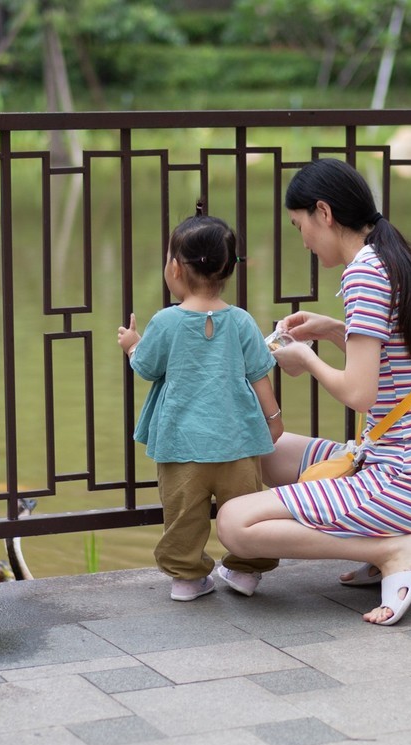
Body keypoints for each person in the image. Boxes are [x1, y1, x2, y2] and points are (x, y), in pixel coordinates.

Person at [215, 158, 411, 626]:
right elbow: (397, 359)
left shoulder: (364, 273)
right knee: (261, 448)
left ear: (324, 213)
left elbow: (360, 393)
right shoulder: (399, 259)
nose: (304, 240)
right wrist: (333, 330)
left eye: (300, 226)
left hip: (407, 481)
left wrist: (306, 360)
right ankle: (402, 538)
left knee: (234, 523)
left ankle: (394, 549)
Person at [117, 211, 284, 602]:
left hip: (181, 444)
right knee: (245, 508)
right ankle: (246, 571)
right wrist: (274, 420)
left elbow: (147, 367)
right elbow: (259, 375)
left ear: (175, 268)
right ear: (227, 268)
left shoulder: (166, 322)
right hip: (237, 442)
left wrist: (132, 344)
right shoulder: (241, 321)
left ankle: (186, 578)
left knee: (183, 515)